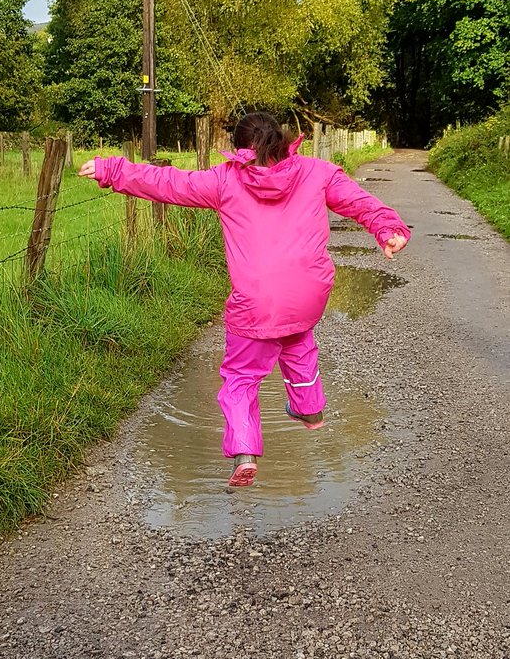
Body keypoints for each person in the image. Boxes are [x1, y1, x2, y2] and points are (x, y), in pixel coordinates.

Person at [79, 112, 409, 489]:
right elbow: (358, 201)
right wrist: (388, 229)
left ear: (238, 149)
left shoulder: (225, 180)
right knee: (297, 339)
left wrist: (112, 170)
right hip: (308, 294)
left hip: (256, 303)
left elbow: (169, 182)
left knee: (240, 378)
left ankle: (244, 452)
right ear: (282, 140)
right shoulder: (318, 172)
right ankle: (310, 409)